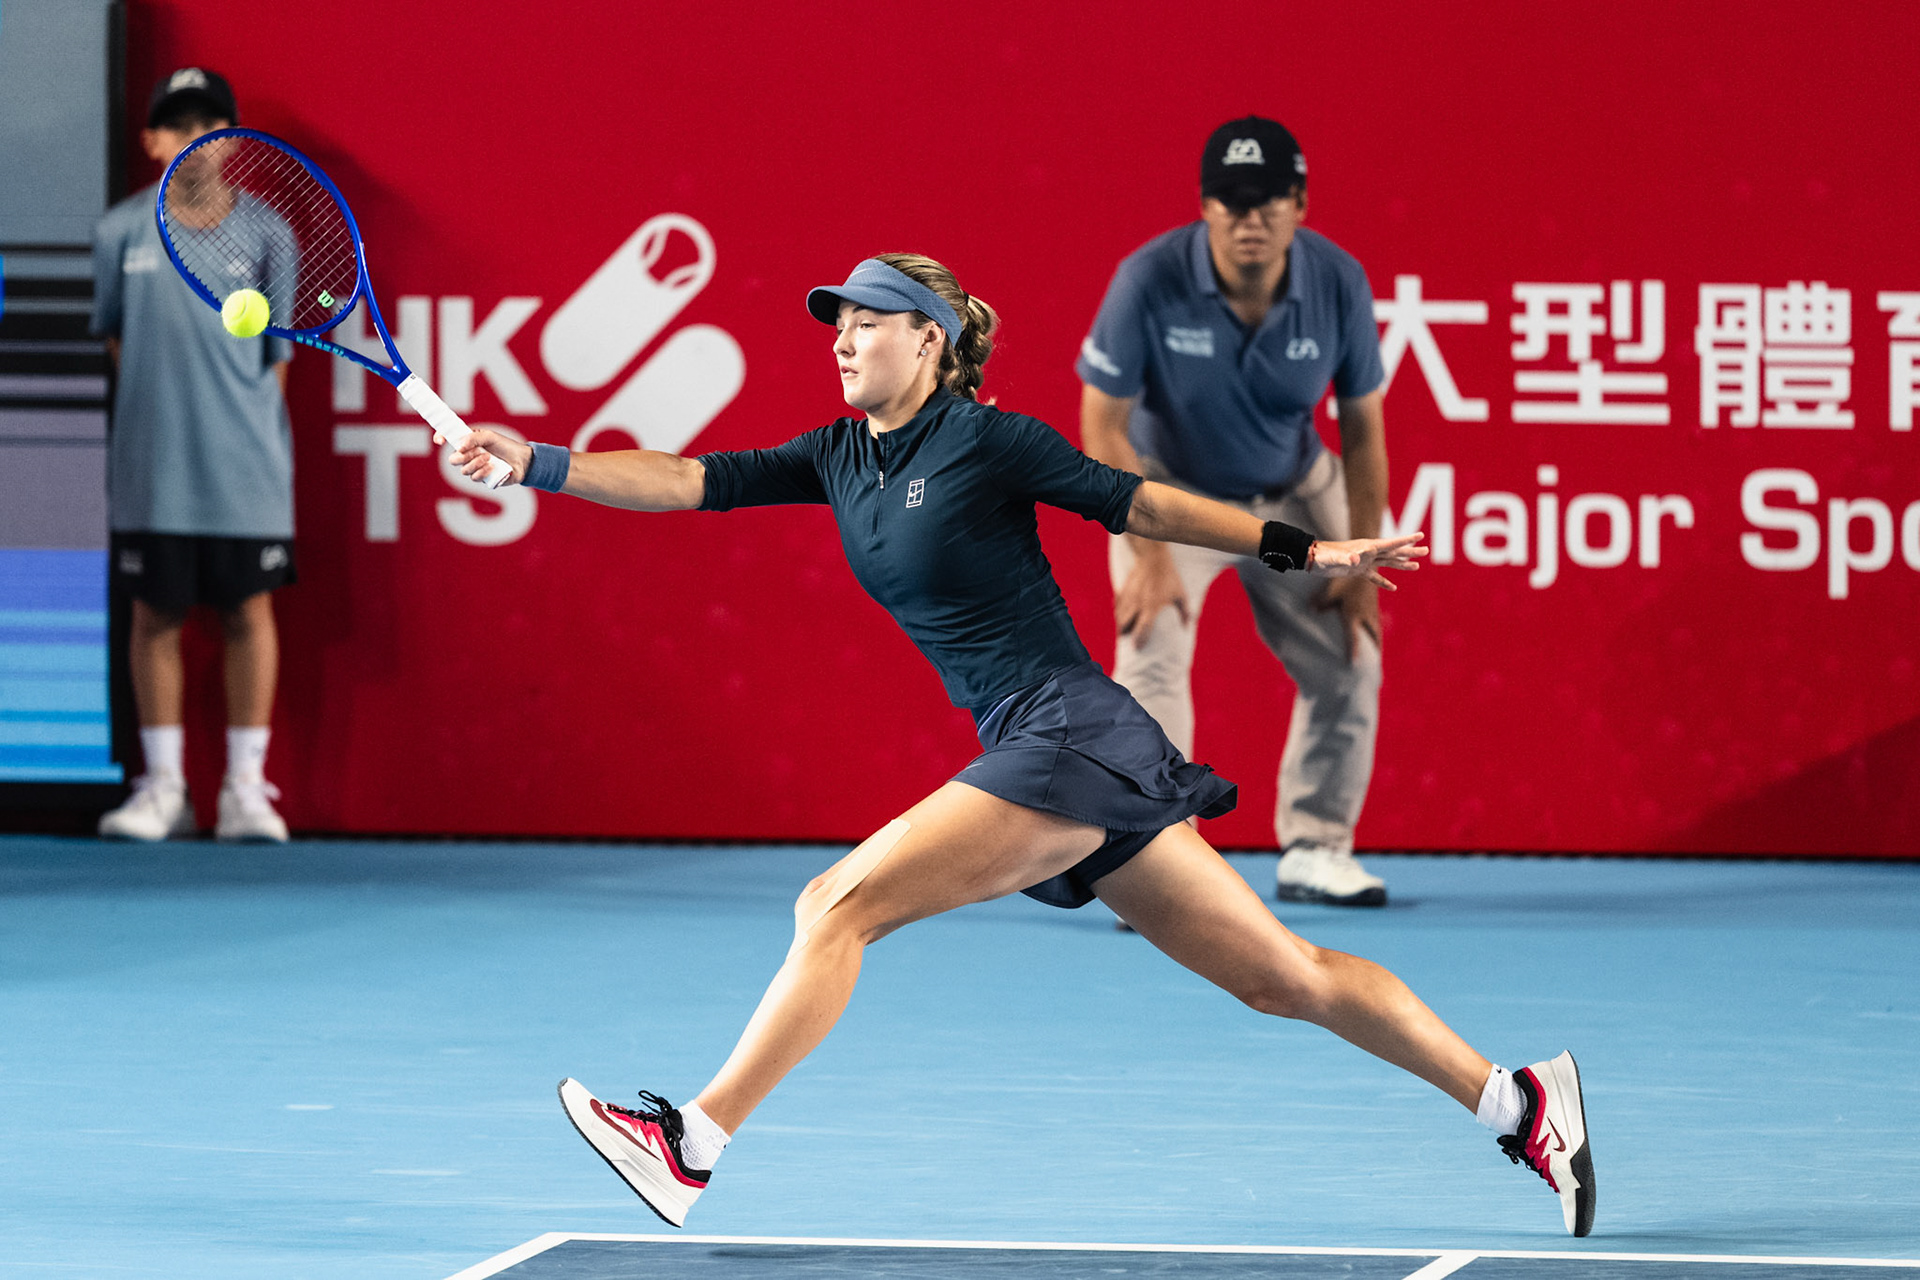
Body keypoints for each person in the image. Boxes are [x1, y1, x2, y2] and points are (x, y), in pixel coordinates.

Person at [451, 253, 1595, 1237]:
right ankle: (1519, 1101)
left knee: (834, 906)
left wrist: (1301, 547)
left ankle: (691, 1140)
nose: (841, 337)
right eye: (835, 321)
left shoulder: (990, 440)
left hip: (1065, 728)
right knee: (1283, 977)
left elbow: (1142, 502)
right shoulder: (837, 455)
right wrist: (536, 460)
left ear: (929, 340)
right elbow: (686, 479)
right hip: (1068, 741)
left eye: (867, 320)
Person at [1077, 116, 1392, 907]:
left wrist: (1359, 558)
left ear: (1300, 205)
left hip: (1292, 490)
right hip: (1171, 497)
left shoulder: (1338, 282)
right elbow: (1103, 423)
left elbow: (1362, 429)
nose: (1250, 217)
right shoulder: (1148, 278)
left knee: (1350, 653)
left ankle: (1317, 847)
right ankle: (1158, 863)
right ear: (1205, 206)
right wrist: (1148, 551)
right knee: (1149, 649)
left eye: (1269, 199)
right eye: (1231, 200)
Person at [90, 68, 294, 842]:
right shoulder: (119, 232)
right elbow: (118, 340)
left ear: (232, 141)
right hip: (151, 468)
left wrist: (231, 429)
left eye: (211, 126)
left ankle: (244, 790)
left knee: (248, 612)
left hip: (246, 472)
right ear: (152, 141)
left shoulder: (271, 234)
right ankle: (166, 790)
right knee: (155, 615)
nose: (195, 141)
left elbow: (276, 362)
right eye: (179, 126)